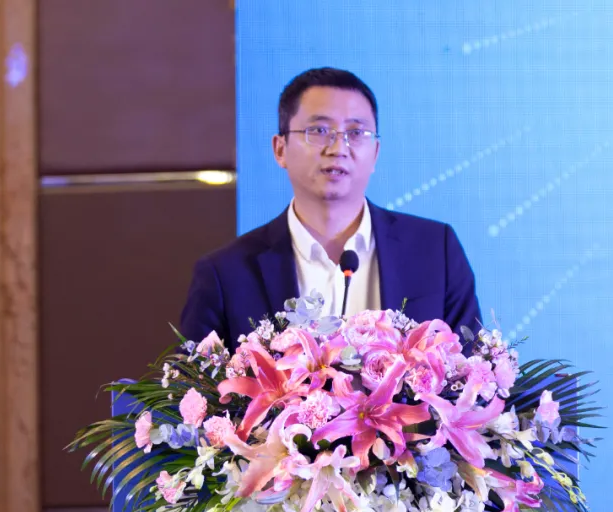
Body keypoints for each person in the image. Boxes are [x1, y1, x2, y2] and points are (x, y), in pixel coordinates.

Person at [178, 67, 482, 347]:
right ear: (280, 149)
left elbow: (472, 370)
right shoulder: (226, 274)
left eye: (356, 133)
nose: (338, 149)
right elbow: (192, 383)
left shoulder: (435, 251)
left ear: (375, 153)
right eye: (319, 131)